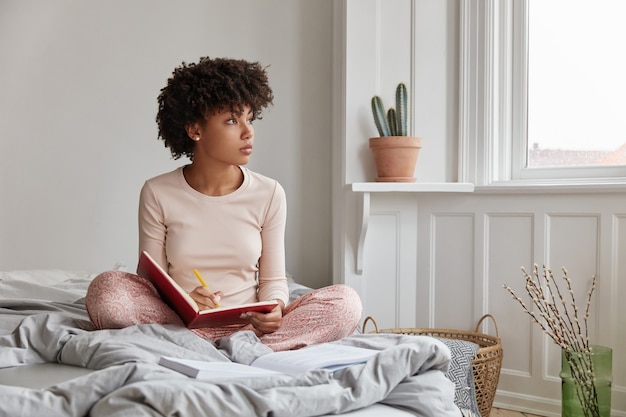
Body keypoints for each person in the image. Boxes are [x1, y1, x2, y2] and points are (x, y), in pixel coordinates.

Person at [85, 57, 362, 351]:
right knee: (107, 290)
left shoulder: (269, 193)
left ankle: (230, 347)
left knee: (346, 303)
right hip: (180, 322)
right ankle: (226, 349)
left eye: (249, 119)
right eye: (232, 120)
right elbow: (153, 283)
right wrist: (187, 298)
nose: (248, 131)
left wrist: (275, 308)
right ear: (195, 130)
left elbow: (273, 280)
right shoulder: (157, 192)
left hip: (250, 327)